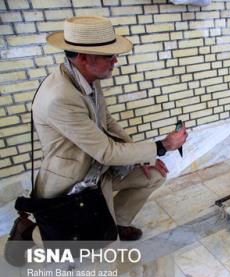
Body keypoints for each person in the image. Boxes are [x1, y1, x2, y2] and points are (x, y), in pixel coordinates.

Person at [12, 16, 187, 241]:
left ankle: (116, 223)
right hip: (74, 181)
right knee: (83, 248)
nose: (115, 60)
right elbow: (106, 152)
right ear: (84, 58)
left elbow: (108, 121)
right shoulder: (59, 98)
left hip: (100, 171)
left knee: (153, 175)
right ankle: (30, 232)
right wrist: (162, 146)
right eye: (108, 55)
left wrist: (143, 157)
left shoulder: (88, 78)